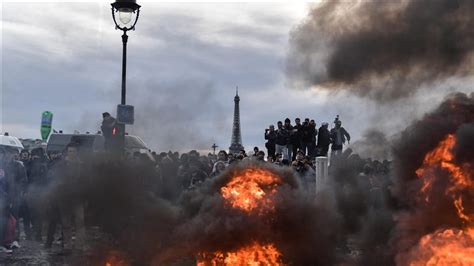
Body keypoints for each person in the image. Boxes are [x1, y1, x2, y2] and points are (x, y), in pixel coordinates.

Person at [49, 142, 86, 253]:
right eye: (69, 151)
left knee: (80, 222)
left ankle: (79, 246)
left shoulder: (81, 165)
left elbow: (86, 181)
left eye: (73, 151)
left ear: (77, 152)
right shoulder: (61, 165)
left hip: (78, 198)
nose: (71, 153)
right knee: (66, 224)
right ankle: (67, 245)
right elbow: (55, 179)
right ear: (67, 152)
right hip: (64, 198)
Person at [26, 148, 49, 242]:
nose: (35, 157)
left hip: (40, 192)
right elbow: (26, 177)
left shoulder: (44, 165)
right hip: (31, 192)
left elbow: (46, 179)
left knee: (39, 214)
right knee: (32, 214)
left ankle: (38, 233)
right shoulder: (29, 164)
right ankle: (34, 232)